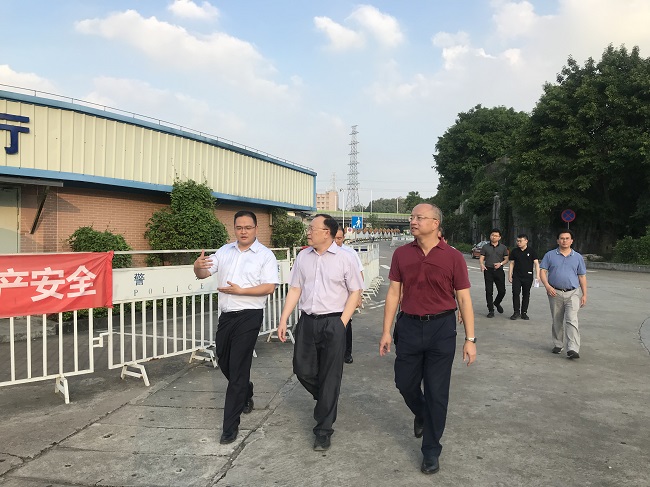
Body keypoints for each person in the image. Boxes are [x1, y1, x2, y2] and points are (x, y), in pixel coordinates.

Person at [379, 203, 476, 475]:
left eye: (419, 217)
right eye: (412, 217)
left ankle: (431, 450)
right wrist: (386, 331)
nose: (413, 221)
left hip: (441, 328)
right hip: (409, 326)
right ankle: (421, 413)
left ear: (435, 223)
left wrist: (470, 338)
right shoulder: (401, 254)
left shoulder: (453, 257)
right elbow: (394, 293)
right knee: (404, 382)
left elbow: (464, 298)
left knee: (437, 392)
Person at [277, 214, 364, 451]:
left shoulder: (345, 258)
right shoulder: (303, 256)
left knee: (330, 375)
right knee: (302, 369)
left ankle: (323, 430)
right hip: (307, 321)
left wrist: (342, 323)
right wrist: (284, 319)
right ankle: (326, 399)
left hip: (333, 322)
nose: (308, 231)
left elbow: (355, 291)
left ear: (326, 232)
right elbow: (295, 289)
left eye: (312, 228)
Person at [193, 210, 279, 444]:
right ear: (234, 229)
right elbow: (203, 273)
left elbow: (269, 287)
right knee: (224, 360)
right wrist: (197, 266)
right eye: (239, 227)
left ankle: (230, 427)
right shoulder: (224, 251)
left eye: (248, 227)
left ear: (256, 229)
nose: (243, 232)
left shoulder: (265, 255)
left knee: (238, 368)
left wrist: (242, 291)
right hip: (227, 316)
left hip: (250, 316)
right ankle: (246, 390)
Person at [539, 229, 587, 359]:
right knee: (557, 319)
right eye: (562, 238)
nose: (564, 241)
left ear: (571, 241)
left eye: (567, 238)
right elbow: (542, 271)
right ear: (557, 240)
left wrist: (584, 294)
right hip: (555, 292)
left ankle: (573, 348)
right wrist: (547, 286)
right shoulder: (550, 255)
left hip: (573, 293)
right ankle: (558, 344)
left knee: (571, 319)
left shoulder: (577, 257)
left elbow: (582, 276)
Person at [334, 227, 364, 364]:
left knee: (346, 324)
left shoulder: (350, 253)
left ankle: (347, 353)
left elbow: (359, 274)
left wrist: (358, 295)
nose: (336, 241)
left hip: (347, 297)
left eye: (339, 238)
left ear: (344, 238)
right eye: (334, 238)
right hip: (332, 298)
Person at [508, 234, 540, 320]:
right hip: (517, 276)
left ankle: (524, 312)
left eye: (520, 241)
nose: (518, 243)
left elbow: (536, 263)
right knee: (515, 293)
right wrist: (510, 275)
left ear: (526, 241)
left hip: (528, 276)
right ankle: (516, 312)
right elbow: (511, 263)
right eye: (517, 241)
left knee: (526, 294)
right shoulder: (514, 251)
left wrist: (538, 275)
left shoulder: (532, 251)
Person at [479, 228, 509, 318]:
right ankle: (491, 310)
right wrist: (481, 264)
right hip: (488, 270)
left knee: (502, 291)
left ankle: (496, 302)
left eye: (496, 236)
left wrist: (500, 264)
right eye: (492, 235)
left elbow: (506, 259)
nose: (494, 237)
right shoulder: (485, 247)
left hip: (499, 271)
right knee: (489, 291)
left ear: (499, 237)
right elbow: (481, 257)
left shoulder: (503, 247)